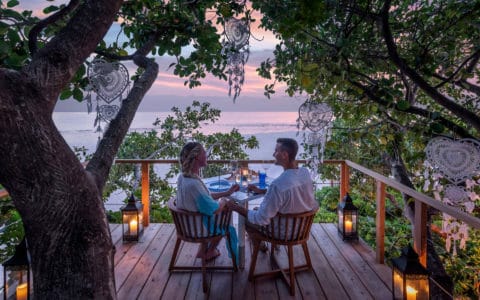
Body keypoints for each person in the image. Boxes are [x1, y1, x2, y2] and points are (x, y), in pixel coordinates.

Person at [227, 138, 318, 239]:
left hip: (283, 232)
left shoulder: (278, 184)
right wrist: (262, 191)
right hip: (302, 229)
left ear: (284, 155)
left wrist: (234, 207)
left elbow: (260, 219)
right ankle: (261, 246)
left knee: (248, 219)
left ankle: (259, 247)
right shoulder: (305, 173)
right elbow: (289, 192)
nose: (273, 154)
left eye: (276, 151)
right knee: (257, 210)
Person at [176, 141, 240, 261]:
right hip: (197, 229)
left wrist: (227, 193)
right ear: (197, 157)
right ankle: (209, 252)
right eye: (204, 152)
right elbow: (215, 209)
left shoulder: (184, 177)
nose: (206, 155)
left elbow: (206, 196)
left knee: (220, 211)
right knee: (225, 214)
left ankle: (203, 250)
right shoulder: (194, 184)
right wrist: (224, 200)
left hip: (187, 224)